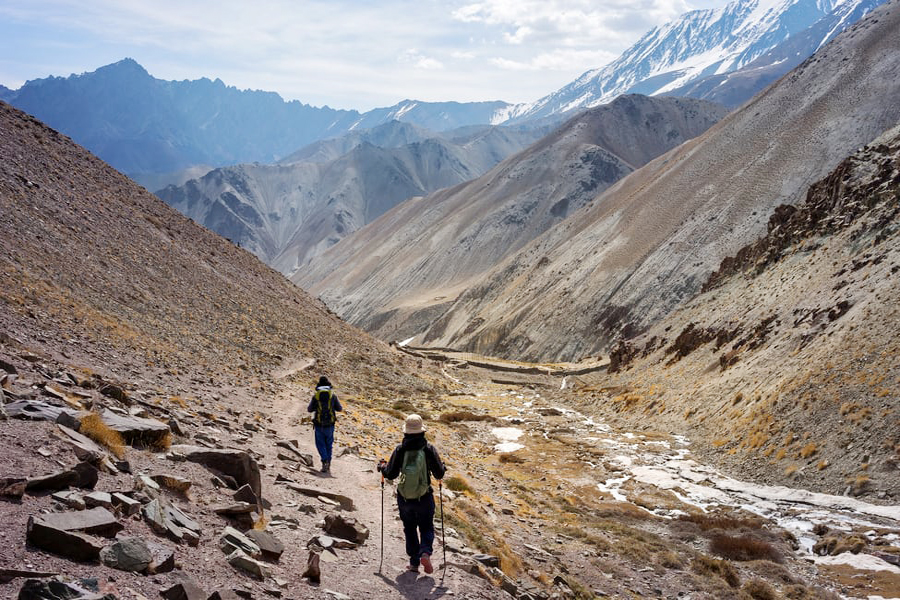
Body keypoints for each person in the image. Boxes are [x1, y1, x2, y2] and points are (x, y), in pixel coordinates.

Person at [377, 414, 445, 574]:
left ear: (406, 432)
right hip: (424, 497)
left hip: (405, 497)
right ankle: (426, 552)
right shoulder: (428, 449)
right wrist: (443, 466)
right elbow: (439, 474)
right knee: (427, 527)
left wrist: (382, 467)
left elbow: (391, 474)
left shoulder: (400, 449)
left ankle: (414, 563)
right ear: (422, 431)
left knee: (409, 528)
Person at [307, 376, 342, 473]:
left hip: (319, 425)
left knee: (320, 444)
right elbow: (339, 408)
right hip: (330, 425)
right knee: (329, 444)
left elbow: (309, 409)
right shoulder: (333, 396)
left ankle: (324, 461)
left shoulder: (316, 396)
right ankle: (328, 462)